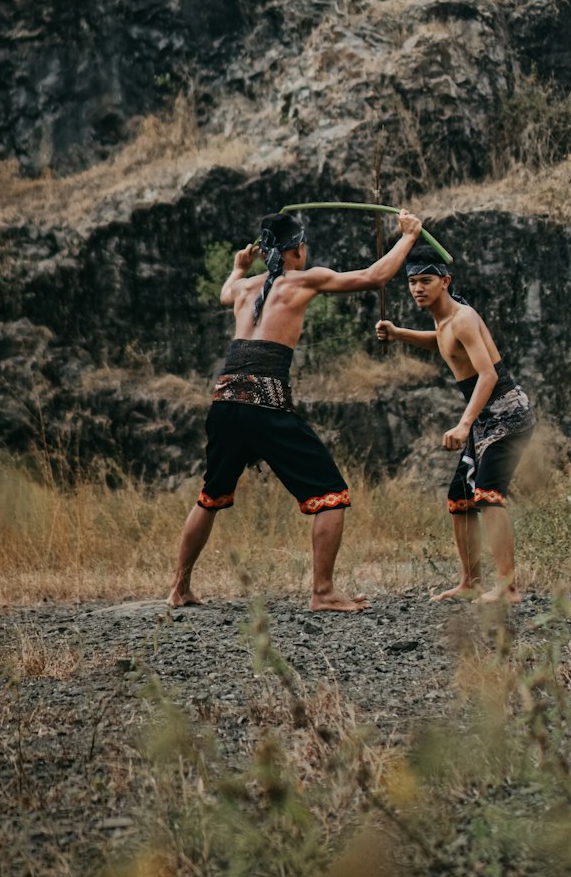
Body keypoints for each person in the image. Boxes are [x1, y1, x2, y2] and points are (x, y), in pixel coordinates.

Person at [168, 207, 423, 613]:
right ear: (297, 250)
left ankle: (178, 589)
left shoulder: (244, 287)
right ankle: (322, 593)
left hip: (224, 401)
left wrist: (237, 267)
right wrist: (409, 236)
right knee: (331, 494)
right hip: (264, 404)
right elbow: (374, 277)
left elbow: (223, 292)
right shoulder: (306, 279)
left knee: (210, 496)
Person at [376, 244, 535, 603]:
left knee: (488, 496)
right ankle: (470, 582)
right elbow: (444, 344)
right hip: (484, 421)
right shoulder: (445, 319)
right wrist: (400, 333)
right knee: (460, 498)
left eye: (426, 281)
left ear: (444, 281)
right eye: (413, 282)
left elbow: (489, 375)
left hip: (508, 417)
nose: (418, 288)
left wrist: (464, 424)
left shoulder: (462, 317)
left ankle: (508, 587)